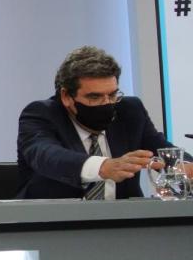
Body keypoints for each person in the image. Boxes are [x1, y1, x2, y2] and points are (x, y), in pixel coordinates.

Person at [17, 45, 191, 200]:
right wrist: (103, 166)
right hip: (53, 227)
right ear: (66, 96)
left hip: (126, 227)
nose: (107, 103)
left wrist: (185, 167)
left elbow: (162, 151)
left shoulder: (129, 110)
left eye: (112, 95)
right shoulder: (41, 114)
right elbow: (46, 155)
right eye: (95, 97)